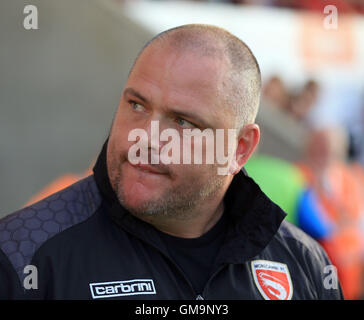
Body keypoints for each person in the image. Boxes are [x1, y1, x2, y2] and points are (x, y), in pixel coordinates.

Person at [0, 24, 343, 300]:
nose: (146, 138)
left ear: (239, 148)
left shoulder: (303, 265)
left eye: (183, 122)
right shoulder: (21, 255)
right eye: (137, 105)